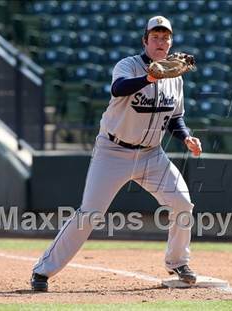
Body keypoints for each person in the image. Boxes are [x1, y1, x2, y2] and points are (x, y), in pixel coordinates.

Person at [31, 16, 202, 291]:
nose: (161, 41)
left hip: (151, 155)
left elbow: (174, 118)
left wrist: (186, 138)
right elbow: (118, 88)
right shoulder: (127, 65)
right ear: (145, 40)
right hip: (113, 151)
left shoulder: (175, 78)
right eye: (155, 37)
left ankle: (177, 262)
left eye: (165, 37)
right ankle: (42, 272)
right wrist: (149, 77)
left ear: (171, 42)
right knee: (89, 214)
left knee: (183, 204)